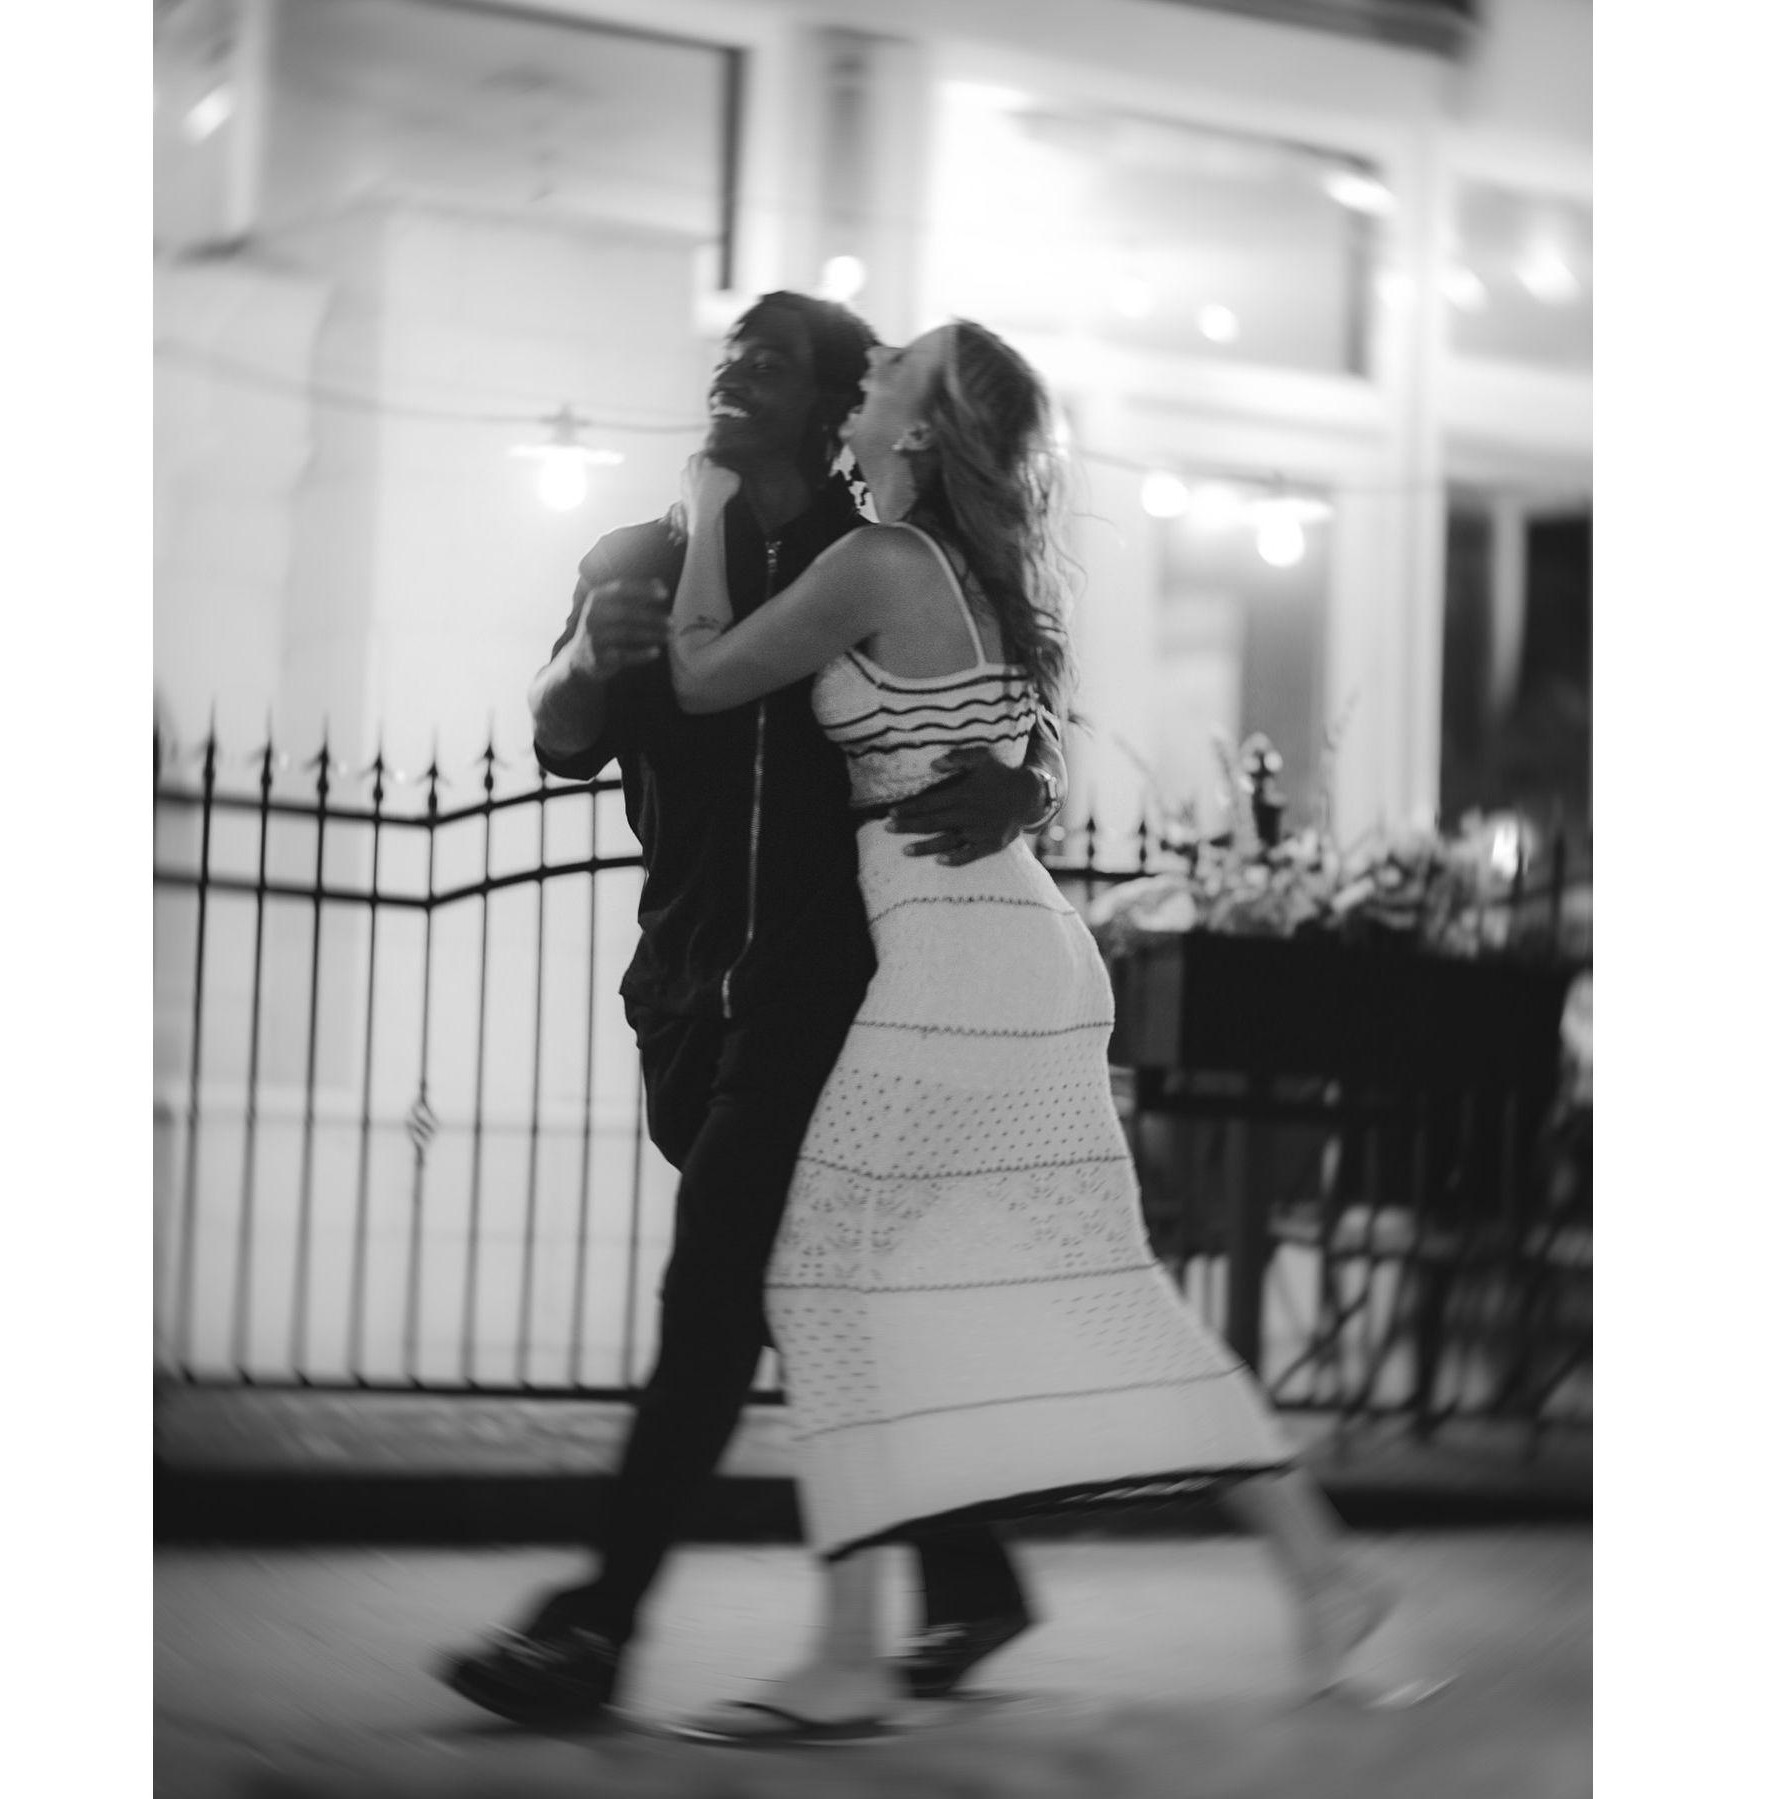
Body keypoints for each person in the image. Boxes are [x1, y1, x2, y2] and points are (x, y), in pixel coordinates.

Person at [661, 320, 1406, 1742]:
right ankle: (1326, 1571)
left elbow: (702, 674)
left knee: (821, 1278)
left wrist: (703, 506)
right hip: (1013, 951)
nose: (874, 367)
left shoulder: (886, 562)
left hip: (961, 958)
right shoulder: (964, 569)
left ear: (922, 427)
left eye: (900, 366)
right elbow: (1015, 744)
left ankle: (848, 1656)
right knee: (1091, 1287)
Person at [437, 294, 1064, 1729]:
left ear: (837, 404)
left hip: (833, 991)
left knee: (715, 1301)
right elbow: (559, 737)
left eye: (770, 363)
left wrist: (1028, 785)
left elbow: (1008, 696)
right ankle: (972, 1577)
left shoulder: (874, 553)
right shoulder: (638, 558)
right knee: (807, 1296)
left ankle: (595, 1626)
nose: (732, 376)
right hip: (683, 989)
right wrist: (589, 659)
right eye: (730, 356)